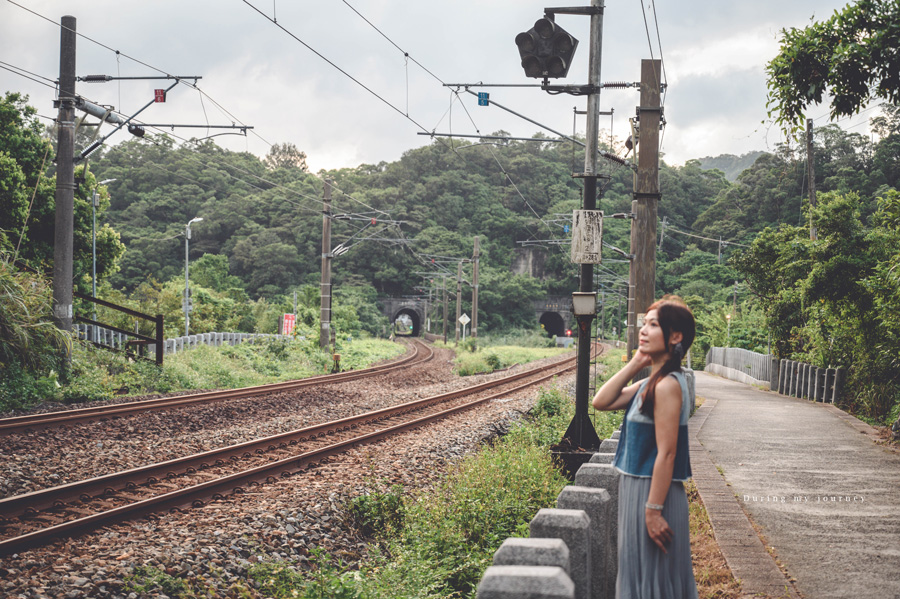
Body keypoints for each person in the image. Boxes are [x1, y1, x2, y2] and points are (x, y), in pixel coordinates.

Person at [592, 296, 698, 599]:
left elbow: (667, 453)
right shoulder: (653, 382)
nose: (644, 330)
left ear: (675, 336)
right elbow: (602, 401)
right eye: (644, 324)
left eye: (653, 324)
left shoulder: (667, 386)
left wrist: (653, 511)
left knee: (653, 579)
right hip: (639, 487)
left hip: (653, 493)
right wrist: (637, 362)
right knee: (640, 574)